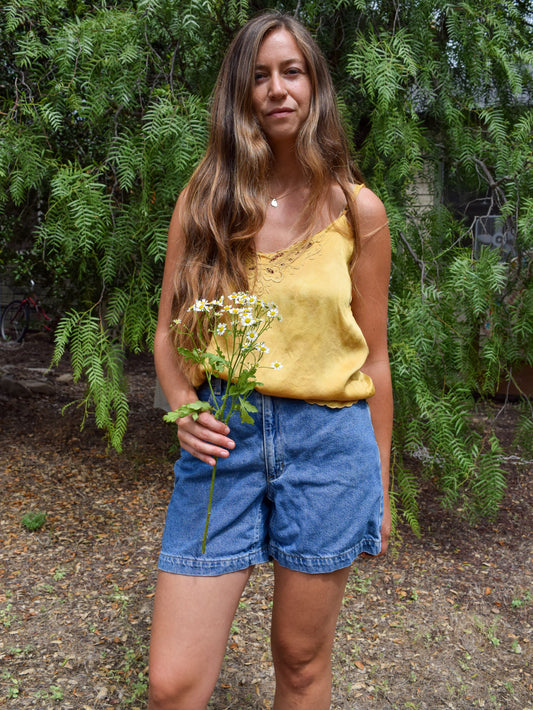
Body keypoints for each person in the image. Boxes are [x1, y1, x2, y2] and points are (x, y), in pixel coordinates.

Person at [149, 11, 392, 710]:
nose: (276, 89)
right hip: (222, 441)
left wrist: (377, 479)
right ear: (239, 94)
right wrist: (181, 404)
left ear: (314, 87)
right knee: (172, 685)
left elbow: (374, 360)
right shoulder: (206, 202)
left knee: (300, 661)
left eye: (291, 72)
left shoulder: (358, 211)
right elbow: (167, 332)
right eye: (259, 75)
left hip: (329, 446)